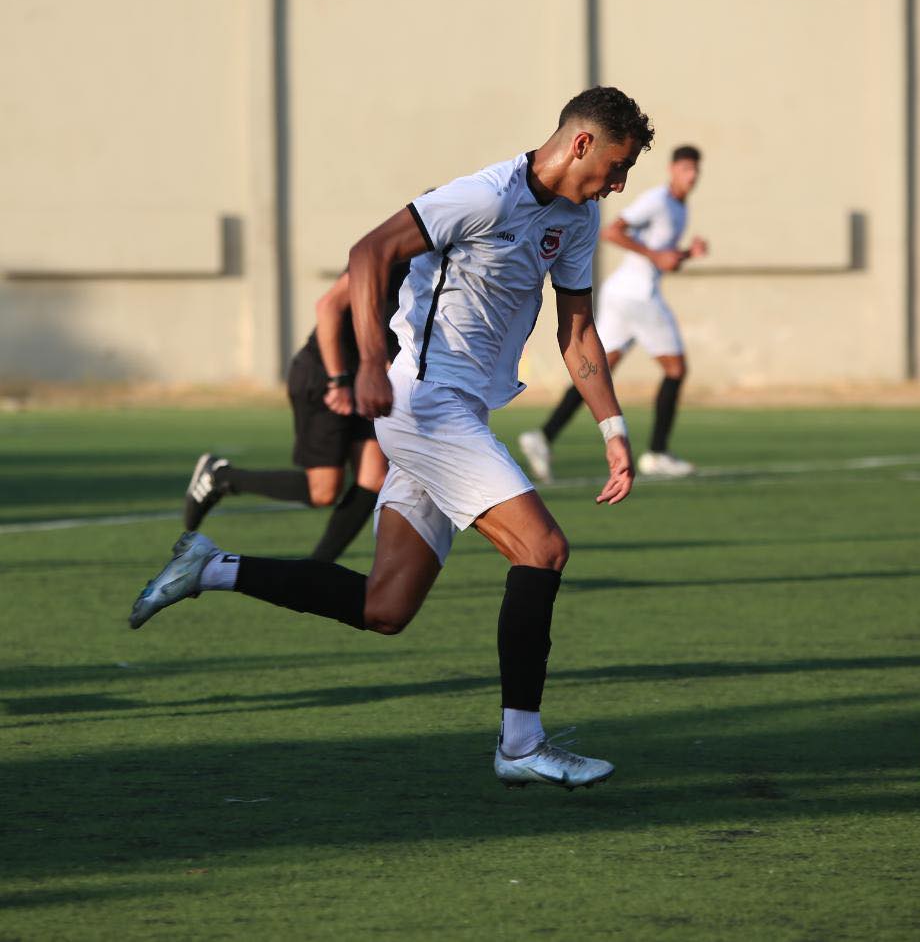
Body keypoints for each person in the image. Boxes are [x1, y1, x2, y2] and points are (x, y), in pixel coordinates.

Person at [129, 86, 655, 790]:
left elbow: (579, 332)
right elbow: (370, 250)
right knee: (544, 548)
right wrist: (370, 363)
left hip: (460, 412)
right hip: (424, 404)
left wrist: (613, 428)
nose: (618, 184)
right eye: (617, 166)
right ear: (583, 143)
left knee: (386, 606)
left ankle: (210, 565)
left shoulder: (579, 218)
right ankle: (521, 744)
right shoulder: (488, 195)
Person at [183, 262, 410, 562]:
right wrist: (337, 380)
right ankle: (222, 476)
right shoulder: (394, 250)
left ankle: (316, 569)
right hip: (325, 376)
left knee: (373, 479)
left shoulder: (448, 262)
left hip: (366, 382)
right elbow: (327, 306)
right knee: (323, 491)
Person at [519, 144, 706, 482]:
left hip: (624, 296)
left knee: (597, 371)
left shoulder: (679, 208)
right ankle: (658, 453)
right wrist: (655, 255)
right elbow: (613, 230)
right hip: (638, 296)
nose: (691, 176)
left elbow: (662, 257)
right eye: (686, 169)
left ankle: (543, 436)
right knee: (676, 370)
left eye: (695, 171)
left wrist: (684, 254)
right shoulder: (658, 200)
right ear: (673, 169)